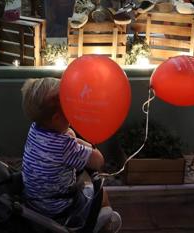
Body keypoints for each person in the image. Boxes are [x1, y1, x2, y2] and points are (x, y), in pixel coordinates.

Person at [21, 78, 121, 232]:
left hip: (34, 201)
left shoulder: (34, 129)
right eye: (69, 109)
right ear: (56, 119)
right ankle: (102, 225)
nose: (73, 112)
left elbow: (65, 137)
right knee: (100, 192)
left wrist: (70, 135)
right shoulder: (65, 146)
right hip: (58, 208)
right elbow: (98, 161)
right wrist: (85, 143)